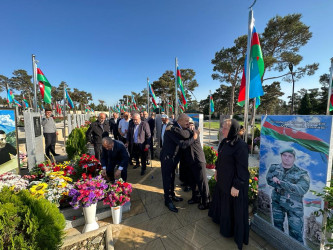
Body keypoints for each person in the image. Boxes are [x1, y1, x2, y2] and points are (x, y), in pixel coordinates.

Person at [208, 119, 249, 250]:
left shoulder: (241, 145)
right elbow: (220, 158)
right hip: (223, 181)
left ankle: (229, 231)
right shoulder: (225, 142)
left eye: (225, 128)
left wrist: (237, 185)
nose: (222, 130)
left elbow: (242, 169)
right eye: (222, 128)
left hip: (233, 184)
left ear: (232, 130)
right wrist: (217, 170)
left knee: (231, 209)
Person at [266, 148, 310, 243]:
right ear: (281, 156)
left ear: (294, 158)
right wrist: (286, 186)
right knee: (277, 228)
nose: (287, 158)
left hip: (294, 206)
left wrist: (281, 183)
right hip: (277, 202)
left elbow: (302, 189)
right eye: (284, 155)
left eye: (290, 156)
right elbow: (269, 179)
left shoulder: (301, 173)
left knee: (296, 234)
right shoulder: (274, 167)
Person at [160, 114, 199, 213]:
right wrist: (194, 137)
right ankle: (167, 200)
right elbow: (182, 144)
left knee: (172, 177)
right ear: (180, 120)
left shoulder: (178, 128)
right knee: (167, 179)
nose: (188, 123)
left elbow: (185, 135)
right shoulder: (172, 129)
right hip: (167, 158)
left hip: (173, 158)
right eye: (186, 121)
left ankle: (172, 195)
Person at [180, 119, 210, 210]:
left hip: (198, 160)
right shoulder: (187, 132)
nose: (189, 125)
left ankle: (206, 202)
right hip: (191, 161)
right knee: (193, 182)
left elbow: (184, 143)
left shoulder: (193, 131)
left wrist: (194, 126)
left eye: (190, 123)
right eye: (187, 123)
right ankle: (196, 198)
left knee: (202, 183)